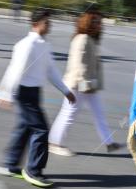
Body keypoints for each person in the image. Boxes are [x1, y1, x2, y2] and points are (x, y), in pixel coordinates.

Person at [0, 8, 76, 188]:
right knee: (41, 130)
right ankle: (33, 171)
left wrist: (66, 90)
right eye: (46, 22)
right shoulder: (27, 45)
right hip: (23, 93)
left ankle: (9, 165)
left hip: (34, 92)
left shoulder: (44, 44)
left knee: (24, 128)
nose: (50, 25)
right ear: (35, 24)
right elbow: (14, 70)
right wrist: (5, 93)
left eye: (50, 22)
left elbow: (51, 70)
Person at [49, 9, 123, 156]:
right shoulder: (82, 39)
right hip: (77, 85)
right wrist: (86, 85)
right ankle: (54, 143)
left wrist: (90, 85)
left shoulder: (90, 39)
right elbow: (79, 65)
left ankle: (109, 143)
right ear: (88, 22)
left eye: (100, 22)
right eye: (97, 22)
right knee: (68, 114)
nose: (100, 25)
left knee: (99, 113)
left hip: (88, 85)